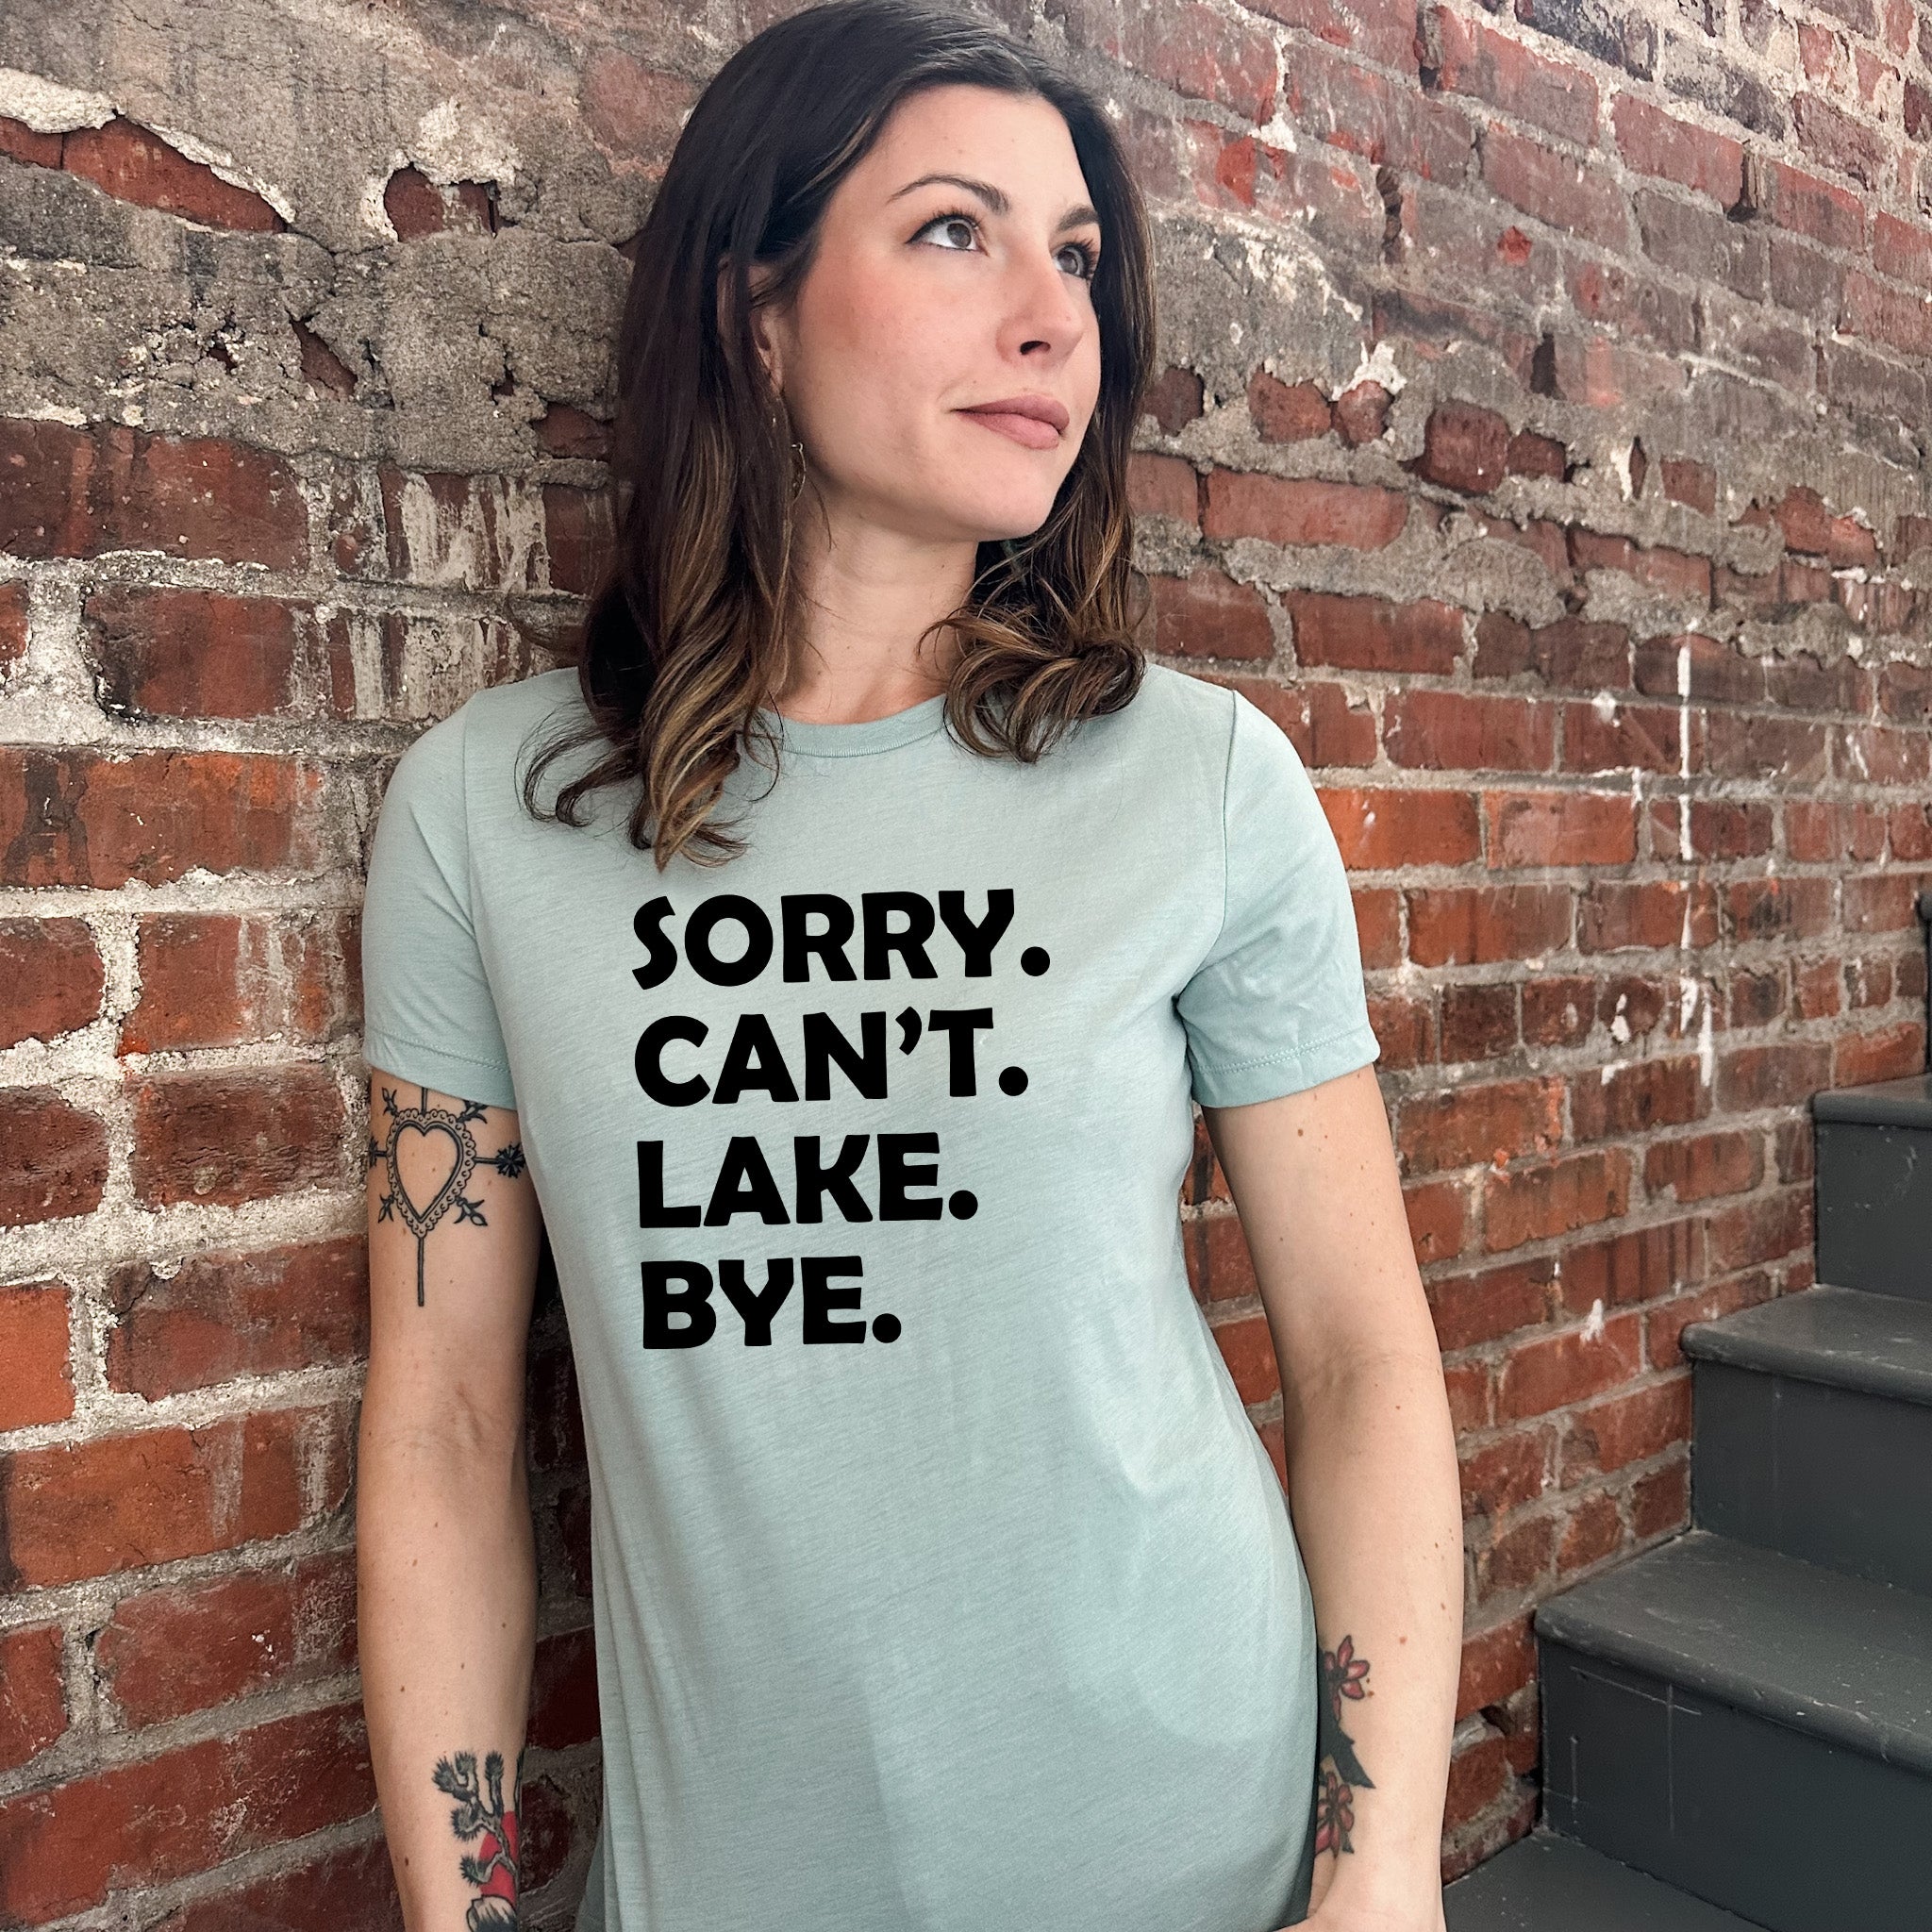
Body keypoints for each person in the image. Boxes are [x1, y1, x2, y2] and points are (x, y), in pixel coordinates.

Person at [356, 4, 1462, 1929]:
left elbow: (1362, 1360)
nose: (1053, 314)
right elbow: (445, 1425)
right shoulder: (487, 815)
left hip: (1181, 1833)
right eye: (956, 231)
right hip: (728, 1876)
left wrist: (1379, 1877)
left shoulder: (1199, 783)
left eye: (1080, 257)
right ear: (752, 310)